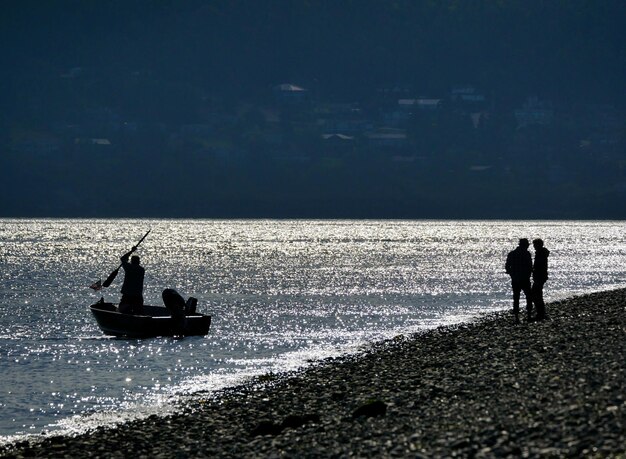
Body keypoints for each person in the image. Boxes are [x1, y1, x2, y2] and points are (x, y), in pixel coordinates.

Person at [505, 238, 533, 323]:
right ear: (525, 245)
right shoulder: (527, 254)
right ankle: (528, 315)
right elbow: (530, 266)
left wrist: (512, 274)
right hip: (524, 278)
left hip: (516, 278)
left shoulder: (512, 254)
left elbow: (507, 266)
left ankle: (517, 317)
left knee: (516, 297)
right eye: (527, 245)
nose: (528, 246)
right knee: (528, 296)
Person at [118, 246, 145, 314]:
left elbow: (123, 258)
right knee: (139, 312)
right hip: (137, 295)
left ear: (131, 261)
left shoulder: (128, 268)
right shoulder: (141, 270)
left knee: (122, 310)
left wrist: (131, 251)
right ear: (139, 262)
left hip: (127, 295)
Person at [532, 238, 550, 321]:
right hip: (540, 276)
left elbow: (539, 266)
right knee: (537, 294)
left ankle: (541, 313)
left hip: (540, 276)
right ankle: (540, 312)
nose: (534, 246)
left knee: (536, 294)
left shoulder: (540, 253)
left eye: (535, 245)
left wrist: (533, 270)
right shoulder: (541, 253)